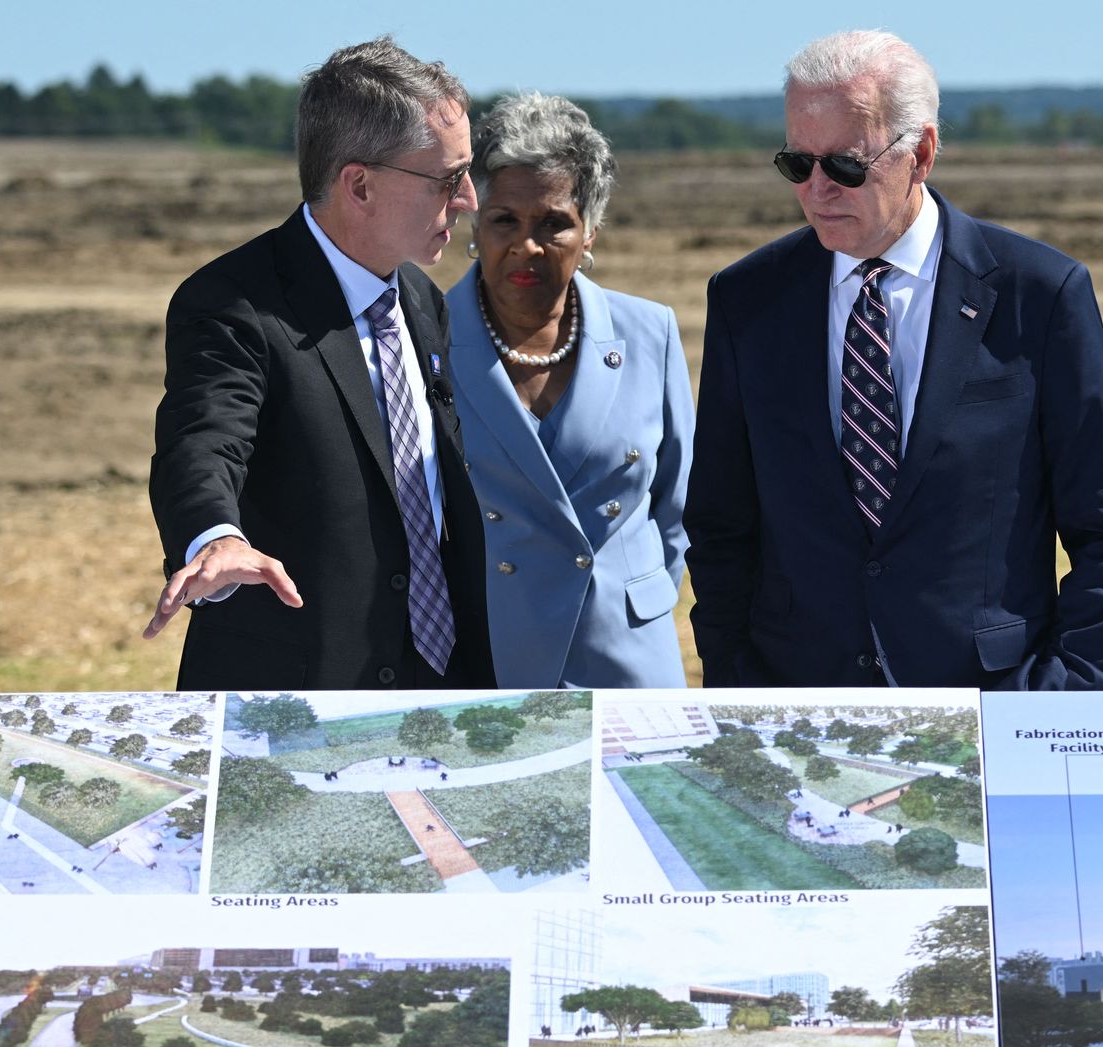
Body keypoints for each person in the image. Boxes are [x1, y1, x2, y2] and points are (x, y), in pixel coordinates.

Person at [684, 30, 1103, 689]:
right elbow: (720, 524)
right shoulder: (746, 299)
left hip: (992, 703)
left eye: (845, 165)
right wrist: (737, 682)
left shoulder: (1039, 296)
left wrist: (1070, 691)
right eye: (797, 164)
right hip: (802, 709)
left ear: (922, 152)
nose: (817, 189)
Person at [144, 38, 496, 690]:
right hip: (297, 708)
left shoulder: (420, 298)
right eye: (448, 179)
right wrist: (215, 538)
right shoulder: (233, 304)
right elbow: (202, 442)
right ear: (359, 185)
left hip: (443, 692)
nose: (470, 199)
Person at [446, 93, 692, 688]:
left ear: (590, 234)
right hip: (486, 657)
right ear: (476, 222)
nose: (526, 247)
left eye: (554, 223)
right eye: (505, 219)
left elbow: (678, 508)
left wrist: (636, 593)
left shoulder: (649, 332)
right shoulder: (424, 336)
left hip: (627, 656)